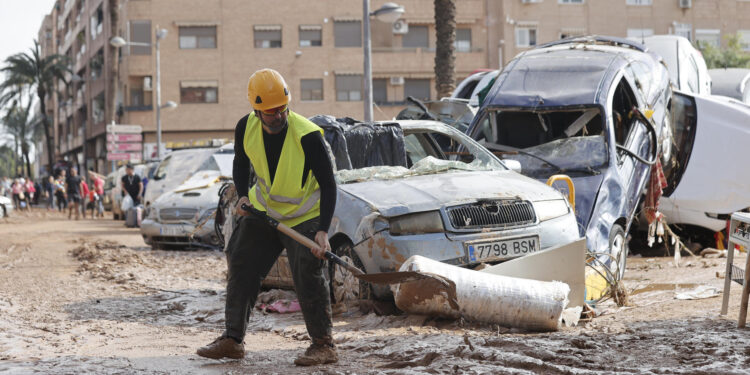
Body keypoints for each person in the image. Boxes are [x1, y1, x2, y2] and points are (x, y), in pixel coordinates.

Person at [196, 69, 338, 366]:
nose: (278, 116)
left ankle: (324, 346)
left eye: (282, 109)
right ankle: (233, 340)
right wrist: (244, 195)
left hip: (305, 216)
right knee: (241, 261)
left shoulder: (308, 135)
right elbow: (241, 162)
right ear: (256, 110)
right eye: (270, 112)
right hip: (264, 213)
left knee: (307, 272)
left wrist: (322, 230)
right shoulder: (245, 127)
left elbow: (328, 183)